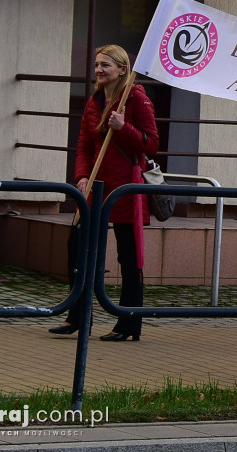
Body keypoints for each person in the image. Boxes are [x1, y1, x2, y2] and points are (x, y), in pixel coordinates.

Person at [49, 44, 159, 342]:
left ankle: (128, 325)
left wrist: (123, 128)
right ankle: (78, 315)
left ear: (122, 69)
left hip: (126, 187)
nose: (99, 69)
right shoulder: (95, 100)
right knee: (79, 246)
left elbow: (151, 144)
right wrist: (82, 176)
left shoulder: (136, 99)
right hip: (96, 184)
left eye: (106, 65)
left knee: (129, 255)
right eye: (97, 64)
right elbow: (84, 145)